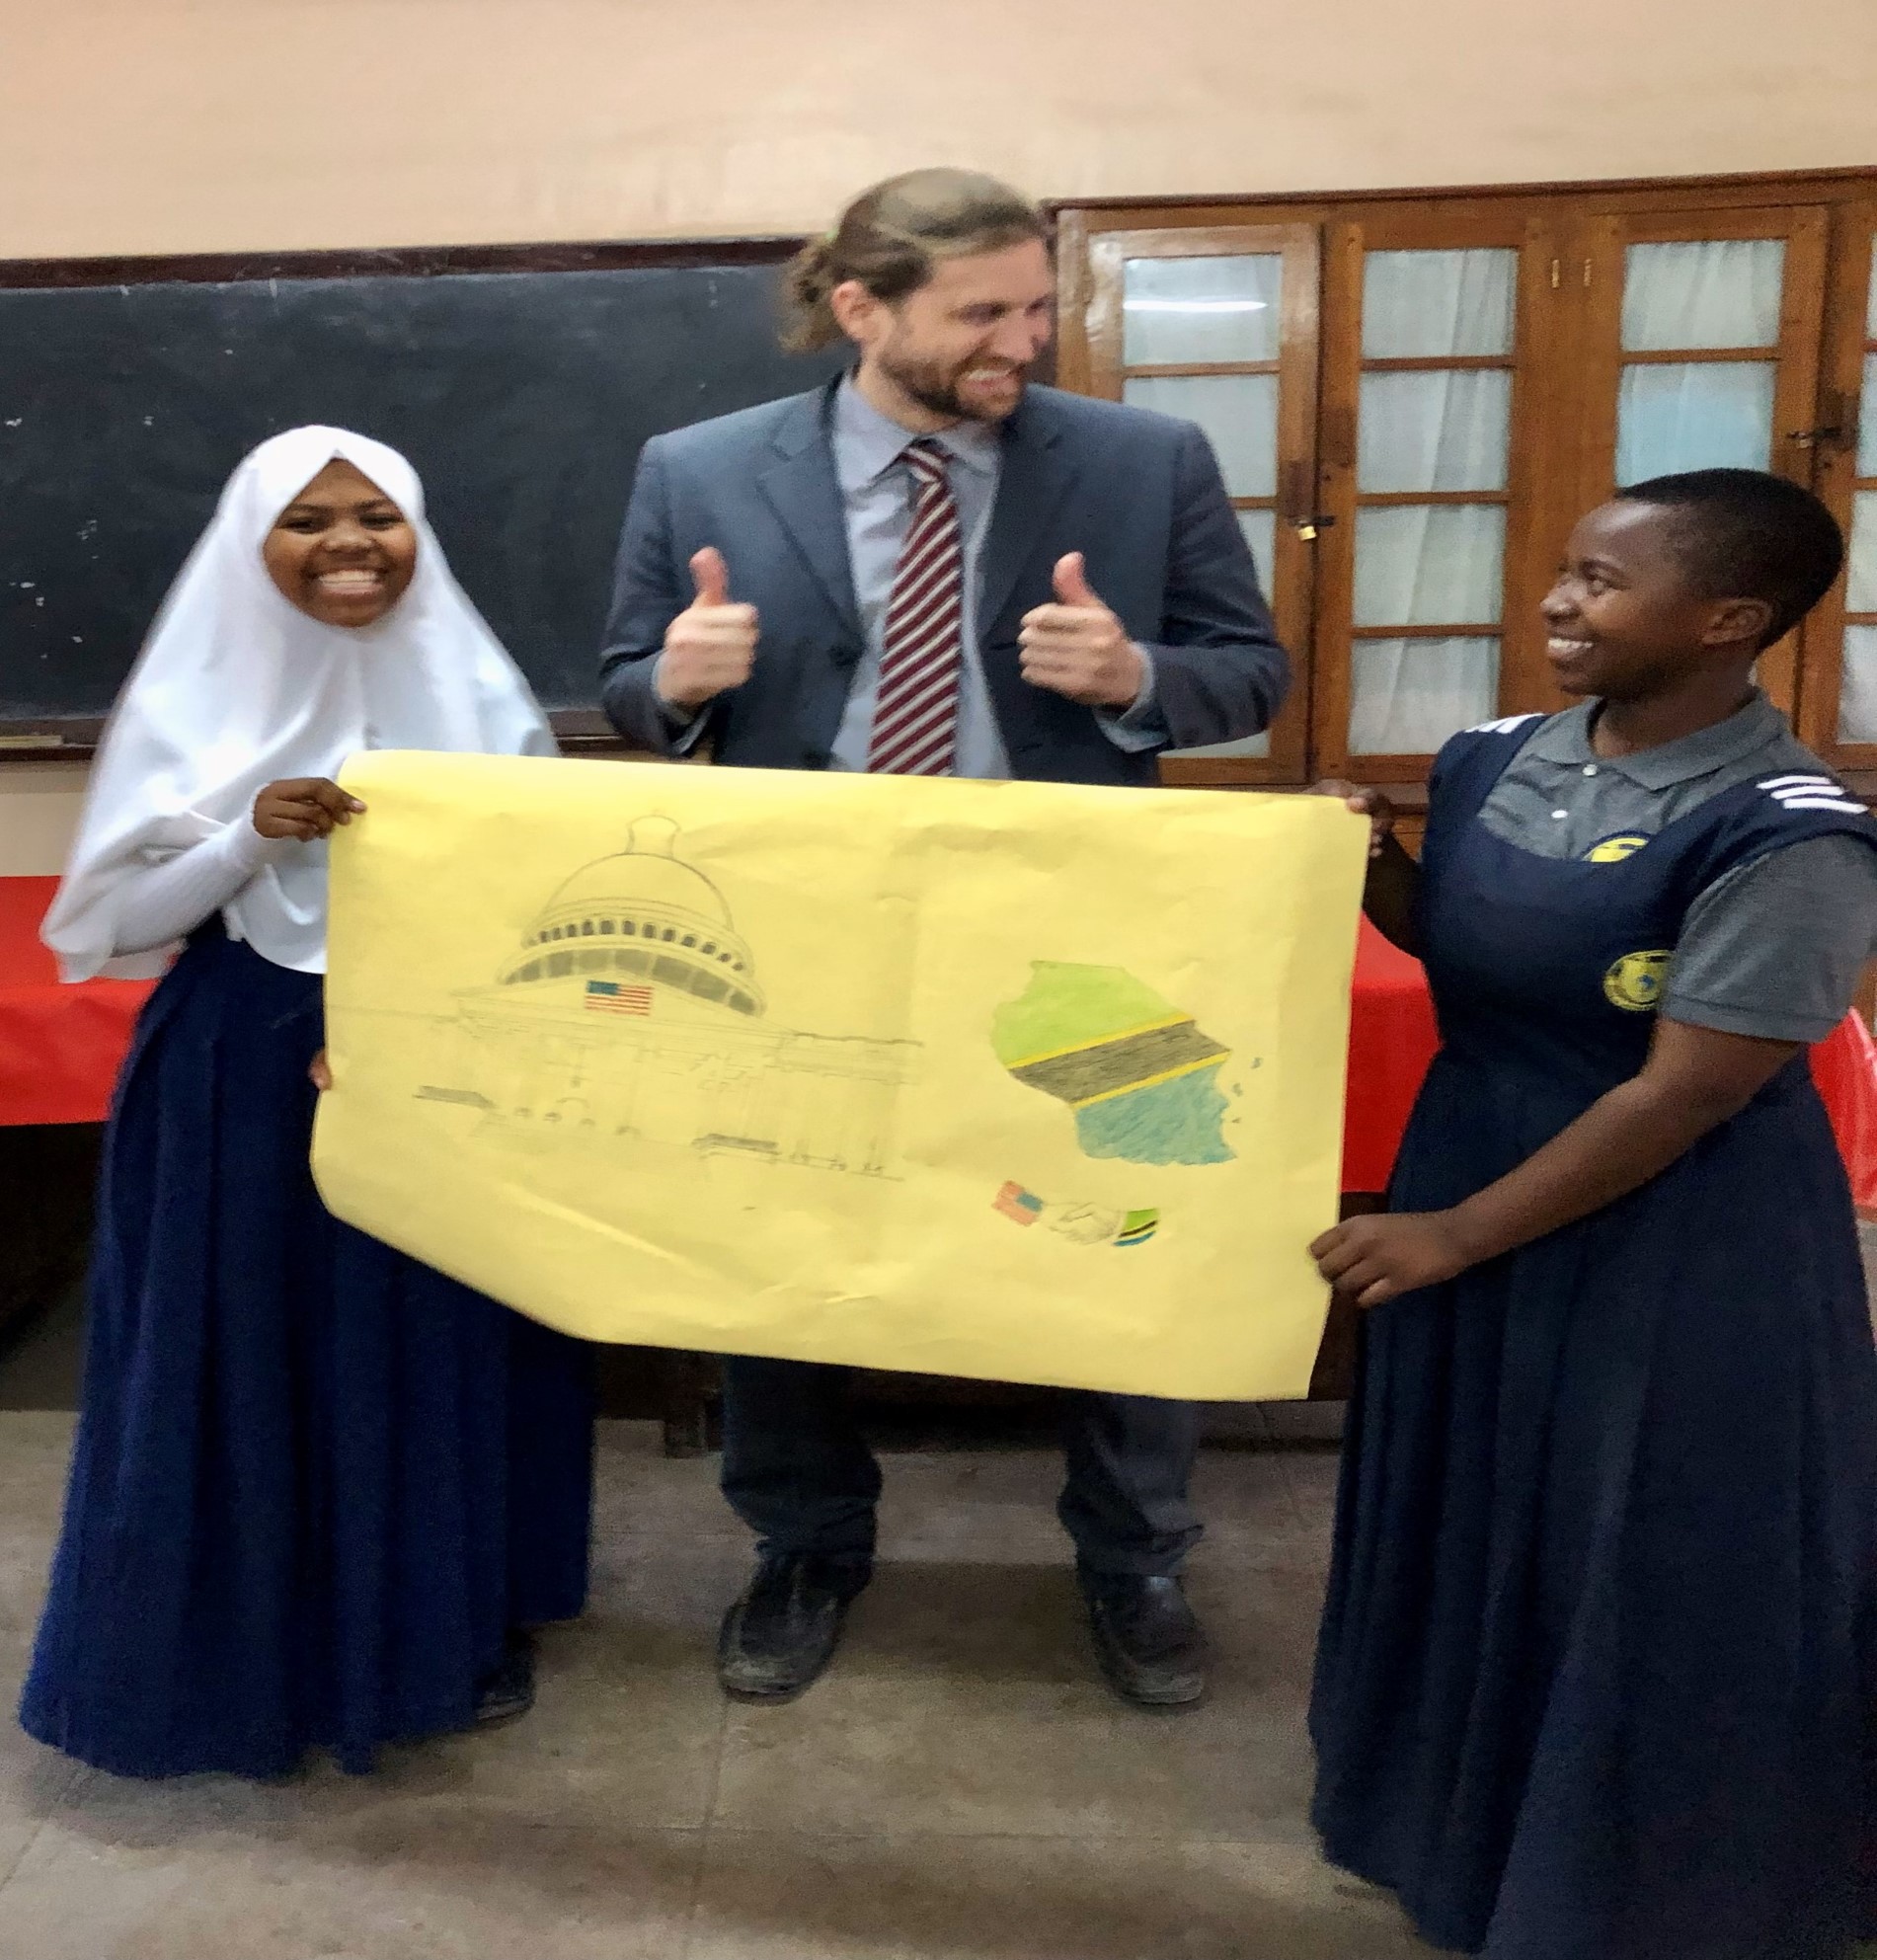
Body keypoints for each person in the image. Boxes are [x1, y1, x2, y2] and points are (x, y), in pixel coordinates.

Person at [599, 168, 1289, 1710]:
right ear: (862, 308)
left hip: (1078, 933)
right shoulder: (697, 468)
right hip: (803, 931)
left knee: (1122, 1229)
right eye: (981, 310)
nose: (1023, 338)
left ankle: (1134, 1556)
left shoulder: (1143, 458)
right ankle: (803, 1542)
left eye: (1037, 304)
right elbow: (629, 684)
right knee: (781, 1250)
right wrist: (682, 680)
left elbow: (1249, 673)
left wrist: (1132, 678)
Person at [1307, 468, 1877, 1957]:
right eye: (1564, 570)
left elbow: (1682, 1092)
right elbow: (1471, 952)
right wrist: (1374, 866)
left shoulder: (1792, 831)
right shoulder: (1491, 757)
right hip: (1475, 1156)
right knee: (1471, 1500)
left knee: (1629, 1531)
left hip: (1672, 1229)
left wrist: (1450, 1234)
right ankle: (1433, 1815)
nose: (1558, 603)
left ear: (1725, 621)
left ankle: (1620, 1876)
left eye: (1602, 582)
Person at [22, 426, 594, 1779]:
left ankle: (437, 1628)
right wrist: (245, 832)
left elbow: (546, 902)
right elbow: (109, 926)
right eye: (310, 518)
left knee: (432, 1340)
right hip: (243, 1066)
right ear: (251, 542)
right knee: (251, 1348)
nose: (350, 542)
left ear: (421, 533)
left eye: (380, 514)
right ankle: (246, 1640)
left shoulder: (481, 691)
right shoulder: (190, 703)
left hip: (443, 1059)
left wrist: (424, 1031)